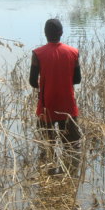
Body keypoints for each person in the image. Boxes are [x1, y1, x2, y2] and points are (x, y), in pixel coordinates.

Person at [29, 18, 81, 174]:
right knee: (72, 147)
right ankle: (71, 175)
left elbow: (32, 81)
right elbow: (77, 80)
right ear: (61, 33)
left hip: (47, 107)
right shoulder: (73, 52)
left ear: (45, 34)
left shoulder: (37, 54)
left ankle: (49, 176)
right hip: (68, 107)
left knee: (47, 146)